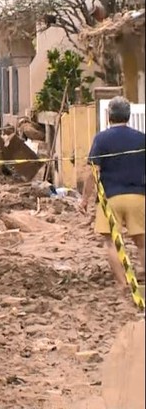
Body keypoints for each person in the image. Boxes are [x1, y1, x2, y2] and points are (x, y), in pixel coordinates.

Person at [82, 96, 145, 290]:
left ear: (110, 116)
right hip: (137, 195)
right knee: (142, 241)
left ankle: (122, 283)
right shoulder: (142, 138)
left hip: (110, 197)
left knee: (111, 242)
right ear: (128, 115)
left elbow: (93, 172)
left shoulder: (102, 139)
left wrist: (85, 199)